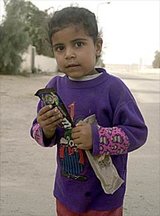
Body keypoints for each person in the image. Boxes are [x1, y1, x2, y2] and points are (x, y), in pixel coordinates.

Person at [30, 6, 148, 216]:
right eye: (60, 48)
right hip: (66, 194)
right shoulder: (54, 88)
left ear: (98, 46)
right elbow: (37, 133)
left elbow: (137, 133)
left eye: (78, 44)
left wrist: (97, 137)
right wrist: (45, 129)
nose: (69, 54)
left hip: (104, 197)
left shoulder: (114, 89)